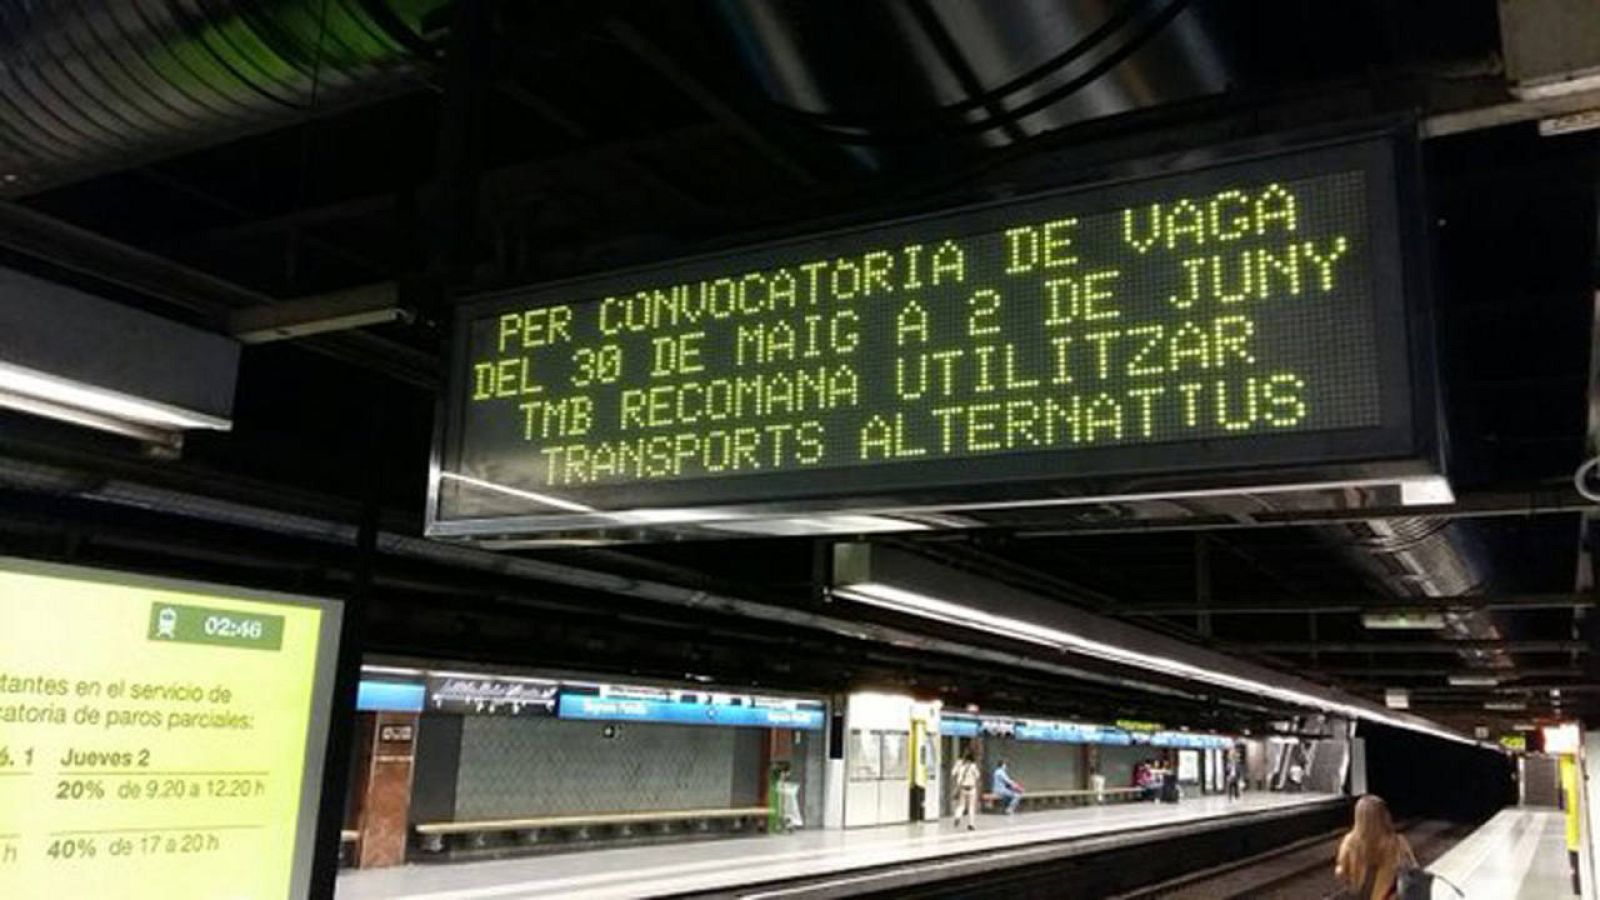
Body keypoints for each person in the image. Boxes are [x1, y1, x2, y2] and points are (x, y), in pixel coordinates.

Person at [1335, 795, 1416, 900]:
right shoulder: (1398, 842)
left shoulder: (1350, 841)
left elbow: (1341, 873)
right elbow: (1413, 871)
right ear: (1385, 816)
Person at [950, 750, 981, 831]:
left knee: (961, 805)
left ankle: (958, 816)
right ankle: (971, 824)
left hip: (962, 788)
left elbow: (953, 773)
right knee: (971, 806)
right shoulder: (973, 766)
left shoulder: (960, 765)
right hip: (972, 788)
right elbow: (978, 776)